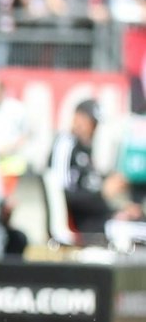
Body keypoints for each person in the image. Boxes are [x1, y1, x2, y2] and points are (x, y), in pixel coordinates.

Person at [46, 100, 137, 240]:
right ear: (77, 117)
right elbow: (61, 196)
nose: (94, 129)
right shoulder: (66, 144)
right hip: (84, 227)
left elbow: (91, 193)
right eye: (91, 122)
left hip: (99, 220)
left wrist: (118, 211)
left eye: (96, 125)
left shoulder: (85, 151)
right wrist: (103, 193)